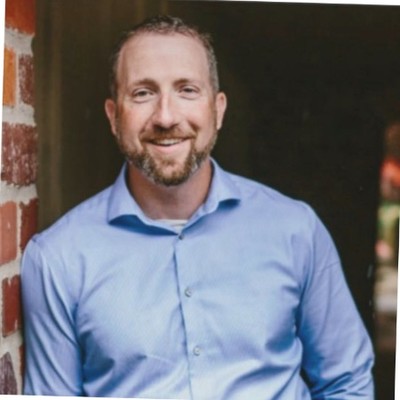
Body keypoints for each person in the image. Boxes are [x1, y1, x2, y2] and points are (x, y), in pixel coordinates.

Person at [21, 15, 374, 399]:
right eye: (143, 93)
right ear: (113, 116)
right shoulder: (57, 258)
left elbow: (347, 383)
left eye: (187, 90)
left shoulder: (296, 230)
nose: (166, 117)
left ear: (218, 110)